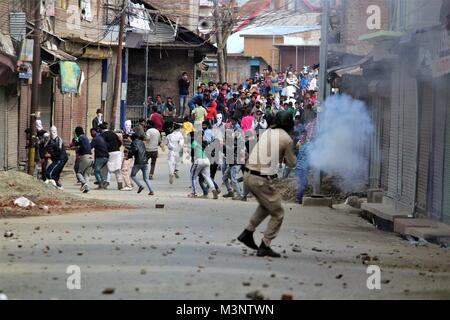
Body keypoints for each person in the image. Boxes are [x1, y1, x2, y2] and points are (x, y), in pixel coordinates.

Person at [237, 111, 297, 258]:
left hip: (248, 175)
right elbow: (291, 163)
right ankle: (265, 245)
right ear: (289, 123)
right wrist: (295, 150)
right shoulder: (287, 139)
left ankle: (248, 232)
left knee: (266, 206)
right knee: (278, 212)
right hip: (260, 178)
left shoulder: (268, 131)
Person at [100, 123, 124, 190]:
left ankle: (105, 182)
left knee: (106, 168)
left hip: (109, 153)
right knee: (117, 169)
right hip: (117, 152)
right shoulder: (113, 133)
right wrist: (116, 147)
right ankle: (120, 185)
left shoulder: (102, 135)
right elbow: (119, 142)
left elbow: (102, 145)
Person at [74, 127, 94, 193]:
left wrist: (76, 148)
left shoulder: (80, 137)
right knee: (86, 174)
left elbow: (78, 145)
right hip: (91, 157)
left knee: (79, 173)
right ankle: (86, 188)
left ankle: (83, 183)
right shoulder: (86, 138)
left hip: (85, 157)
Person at [296, 132, 311, 204]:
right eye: (301, 135)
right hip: (302, 167)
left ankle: (299, 197)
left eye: (304, 135)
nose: (302, 137)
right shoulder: (301, 145)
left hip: (301, 166)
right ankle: (299, 198)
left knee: (303, 183)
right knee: (303, 183)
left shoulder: (305, 145)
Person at [121, 120, 134, 191]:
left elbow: (134, 143)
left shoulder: (132, 134)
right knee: (126, 169)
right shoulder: (124, 133)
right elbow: (123, 143)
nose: (127, 127)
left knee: (124, 170)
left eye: (128, 125)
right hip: (126, 153)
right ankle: (129, 183)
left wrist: (129, 138)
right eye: (126, 125)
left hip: (129, 154)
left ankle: (128, 185)